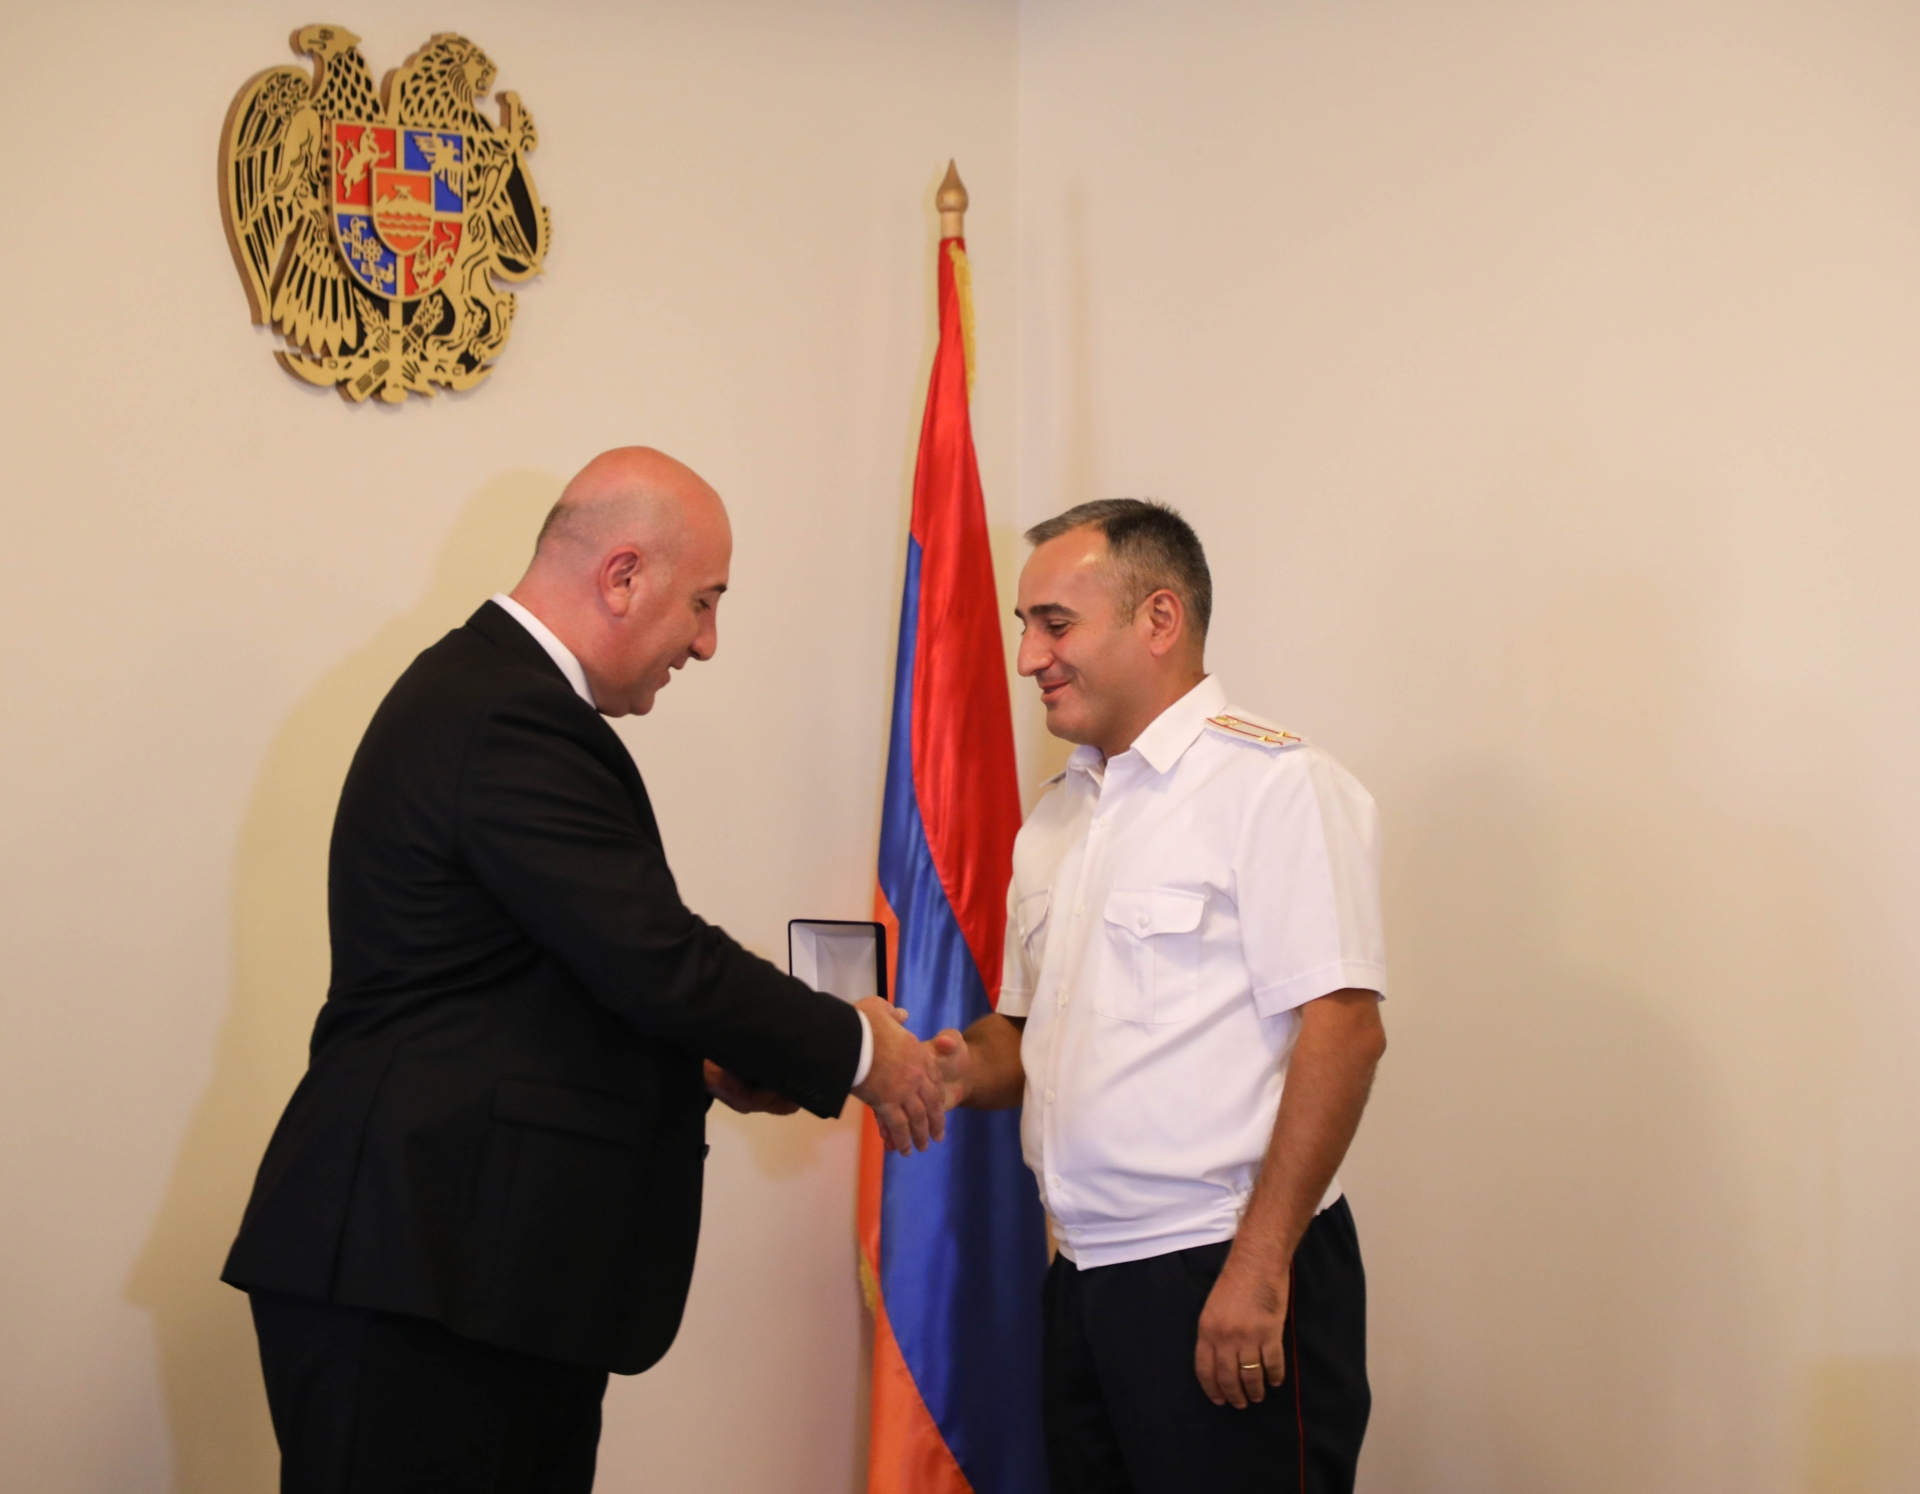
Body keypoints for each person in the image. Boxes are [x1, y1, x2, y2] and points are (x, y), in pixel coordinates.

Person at [223, 447, 950, 1494]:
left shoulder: (490, 696)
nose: (707, 641)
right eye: (704, 602)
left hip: (470, 1275)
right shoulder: (507, 712)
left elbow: (545, 980)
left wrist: (704, 1065)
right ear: (622, 576)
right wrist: (860, 1049)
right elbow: (655, 955)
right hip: (419, 1269)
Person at [932, 499, 1388, 1493]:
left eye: (1055, 624)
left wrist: (1258, 1266)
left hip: (1224, 1264)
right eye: (1024, 627)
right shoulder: (1056, 819)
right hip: (1083, 1279)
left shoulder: (1274, 786)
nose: (1029, 657)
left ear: (1160, 619)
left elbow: (1346, 1032)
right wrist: (946, 1069)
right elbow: (1026, 1041)